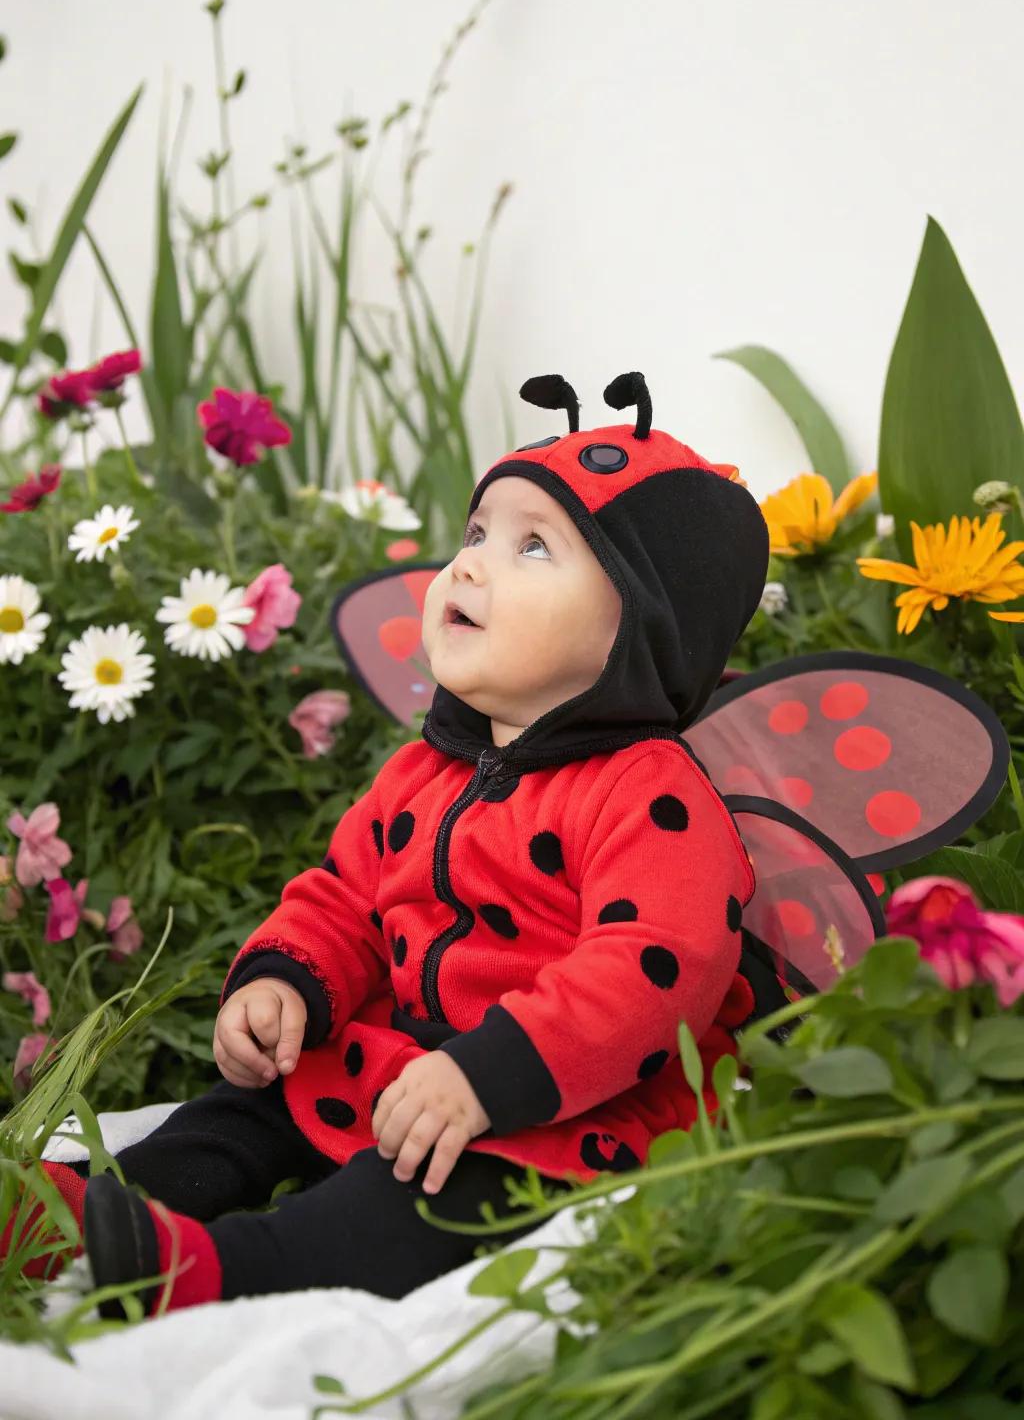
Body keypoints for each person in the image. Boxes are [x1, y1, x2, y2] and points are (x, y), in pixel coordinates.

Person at [2, 371, 769, 1318]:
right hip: (406, 1055)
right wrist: (284, 980)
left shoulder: (648, 793)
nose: (473, 566)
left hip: (561, 1100)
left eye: (536, 546)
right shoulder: (427, 770)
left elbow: (656, 967)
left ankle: (226, 1272)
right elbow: (345, 896)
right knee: (245, 1112)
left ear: (645, 625)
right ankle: (72, 1219)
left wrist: (489, 1075)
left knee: (418, 1197)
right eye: (478, 534)